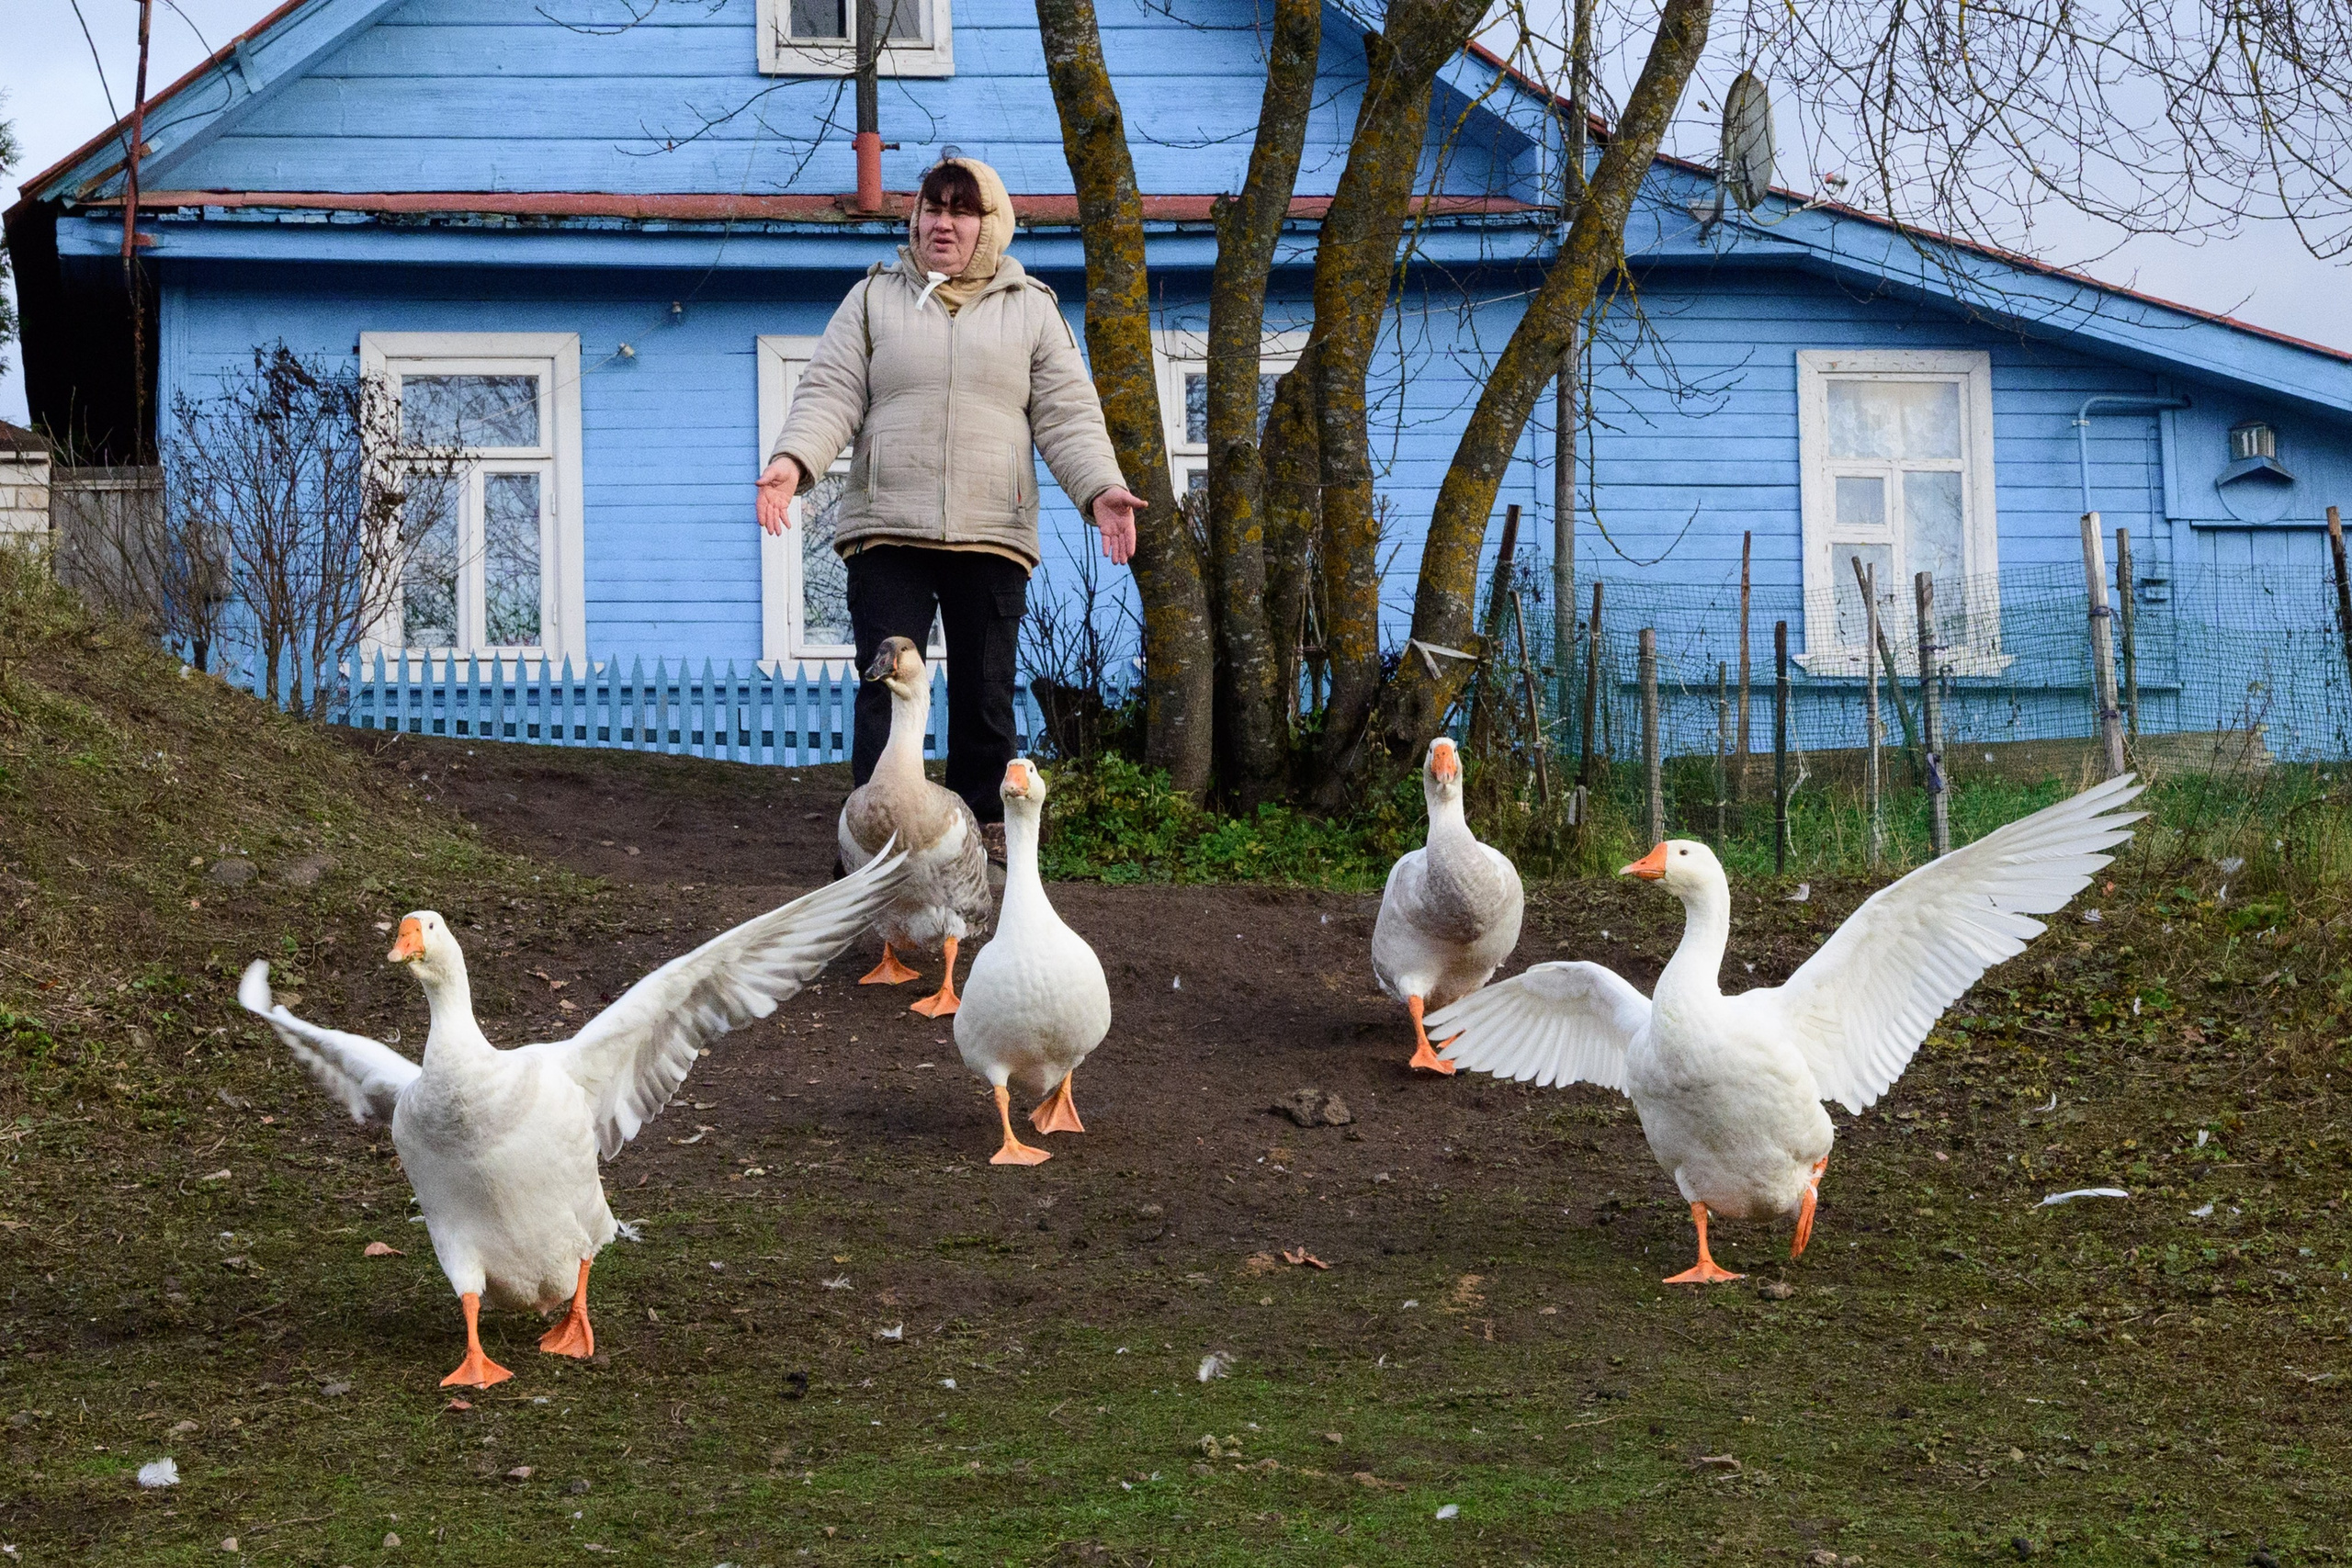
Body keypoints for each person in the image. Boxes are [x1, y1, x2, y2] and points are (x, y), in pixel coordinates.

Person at [756, 154, 1144, 839]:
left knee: (984, 698)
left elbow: (1068, 413)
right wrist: (793, 462)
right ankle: (870, 846)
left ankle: (978, 843)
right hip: (889, 531)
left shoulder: (1032, 309)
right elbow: (830, 390)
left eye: (961, 211)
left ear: (990, 226)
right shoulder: (874, 298)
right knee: (885, 692)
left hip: (992, 533)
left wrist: (1101, 489)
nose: (942, 223)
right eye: (932, 208)